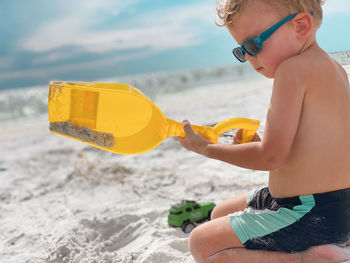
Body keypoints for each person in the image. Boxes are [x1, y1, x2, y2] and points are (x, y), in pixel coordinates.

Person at [178, 0, 350, 262]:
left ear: (300, 26)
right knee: (218, 214)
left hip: (309, 212)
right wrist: (256, 145)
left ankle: (309, 258)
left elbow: (271, 157)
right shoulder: (333, 68)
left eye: (252, 46)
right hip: (335, 209)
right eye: (241, 50)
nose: (248, 57)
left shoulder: (292, 70)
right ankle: (329, 246)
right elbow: (311, 149)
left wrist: (206, 148)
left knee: (201, 243)